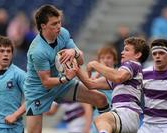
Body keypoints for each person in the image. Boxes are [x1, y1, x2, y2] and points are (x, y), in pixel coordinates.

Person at [24, 4, 110, 133]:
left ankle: (110, 128)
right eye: (54, 24)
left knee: (100, 99)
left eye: (59, 22)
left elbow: (80, 60)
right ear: (43, 26)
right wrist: (65, 78)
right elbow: (46, 82)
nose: (58, 26)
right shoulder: (37, 50)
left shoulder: (63, 33)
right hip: (39, 92)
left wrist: (73, 52)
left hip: (62, 85)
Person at [76, 37, 150, 133]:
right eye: (123, 49)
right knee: (102, 120)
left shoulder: (132, 64)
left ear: (137, 54)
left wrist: (95, 64)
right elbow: (91, 84)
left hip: (125, 113)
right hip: (127, 117)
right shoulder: (121, 73)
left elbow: (118, 77)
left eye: (127, 50)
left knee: (101, 119)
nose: (122, 52)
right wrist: (76, 69)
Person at [138, 39, 167, 133]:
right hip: (147, 125)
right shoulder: (143, 74)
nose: (157, 56)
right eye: (154, 54)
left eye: (161, 53)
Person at [0, 35, 26, 133]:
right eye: (2, 51)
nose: (5, 54)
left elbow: (32, 98)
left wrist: (15, 115)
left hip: (12, 129)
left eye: (8, 51)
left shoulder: (19, 74)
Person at [90, 46, 118, 133]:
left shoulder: (119, 74)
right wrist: (99, 71)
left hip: (116, 114)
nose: (105, 60)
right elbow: (89, 88)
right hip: (99, 114)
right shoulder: (94, 75)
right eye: (102, 58)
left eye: (108, 57)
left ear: (115, 60)